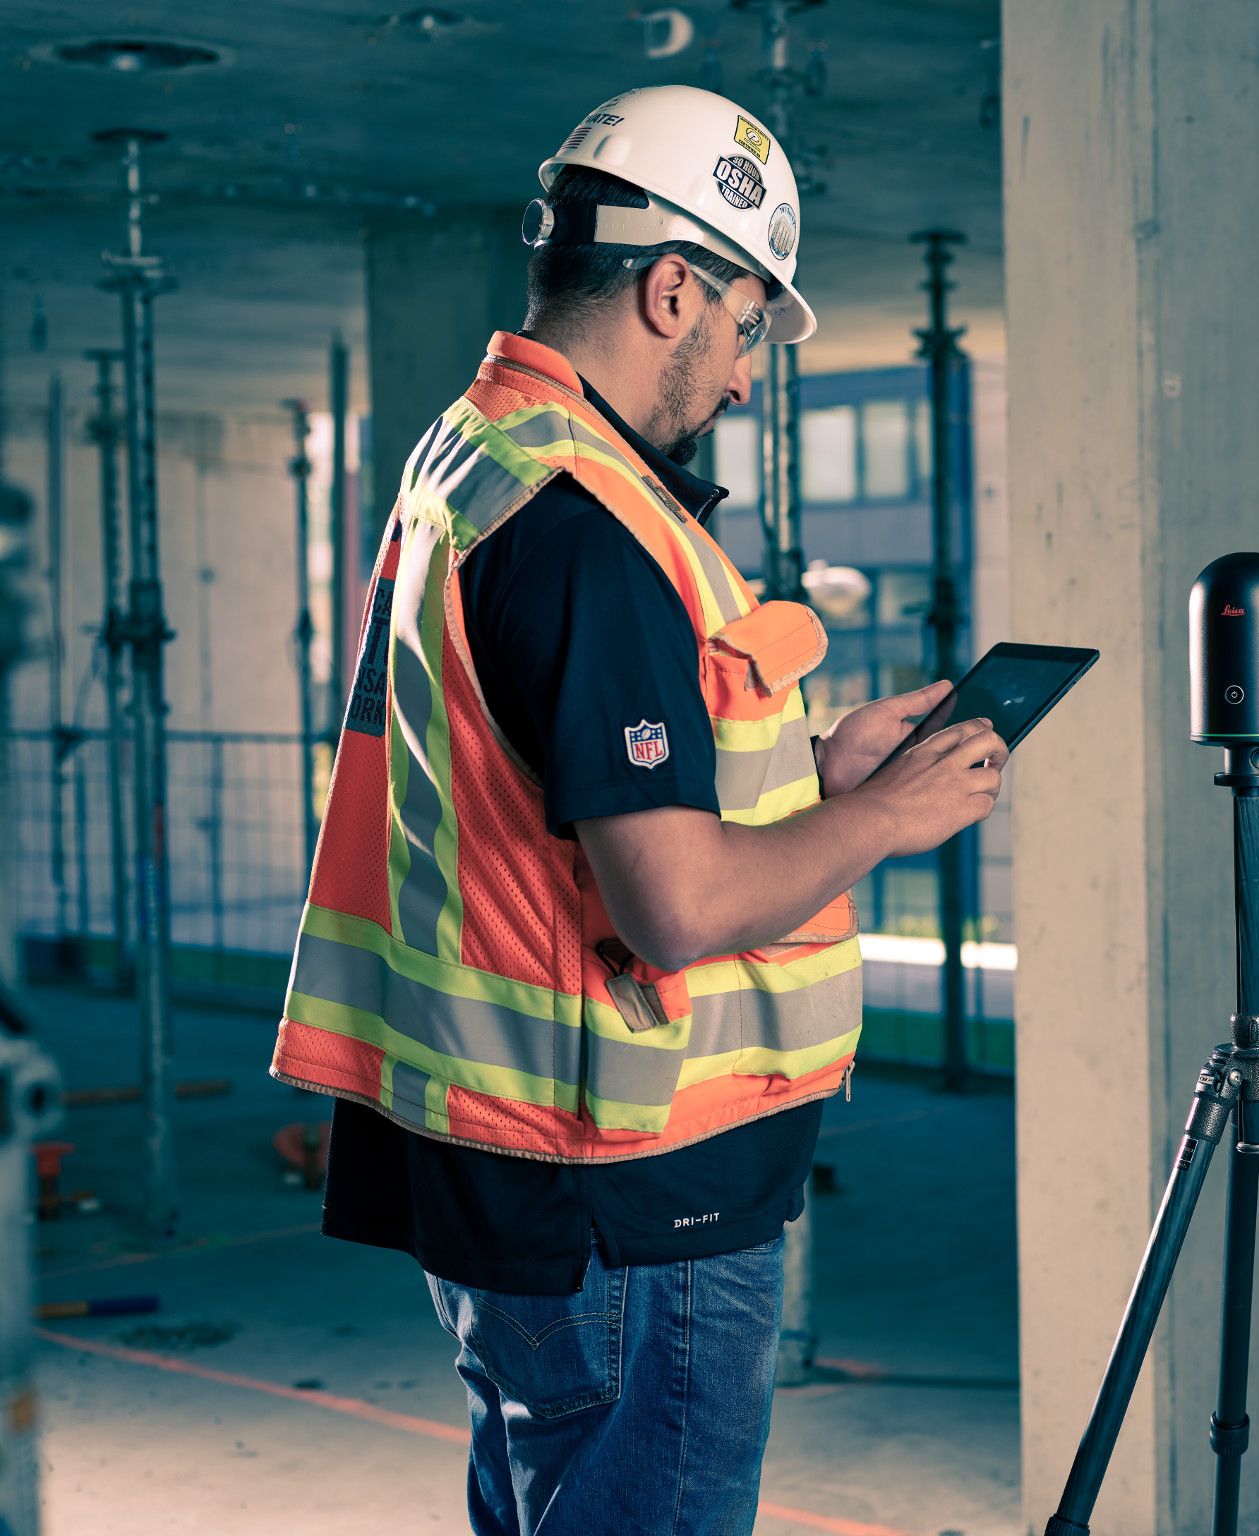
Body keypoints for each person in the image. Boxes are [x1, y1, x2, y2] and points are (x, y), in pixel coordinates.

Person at [269, 85, 1004, 1534]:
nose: (742, 377)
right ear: (673, 288)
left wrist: (824, 778)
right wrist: (887, 824)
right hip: (627, 1179)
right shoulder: (590, 525)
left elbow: (566, 796)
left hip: (510, 1158)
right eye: (742, 330)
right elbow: (670, 903)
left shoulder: (470, 461)